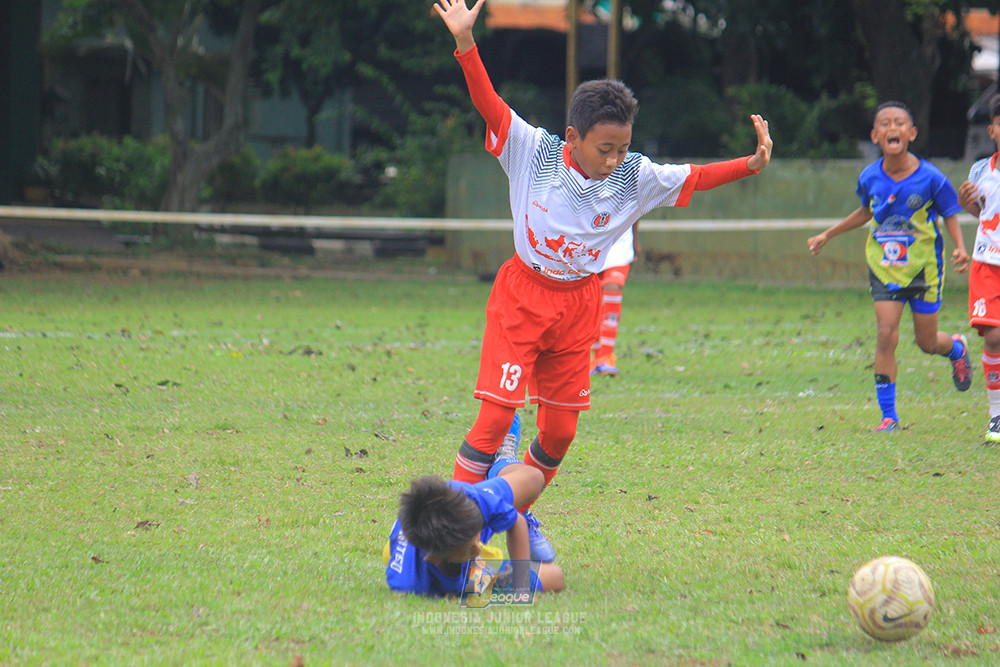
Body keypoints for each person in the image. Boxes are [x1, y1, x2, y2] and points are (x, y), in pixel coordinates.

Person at [434, 0, 772, 561]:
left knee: (561, 433)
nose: (616, 159)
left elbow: (693, 174)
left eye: (622, 147)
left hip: (577, 307)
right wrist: (466, 45)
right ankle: (451, 533)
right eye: (604, 148)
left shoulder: (634, 175)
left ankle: (514, 513)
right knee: (496, 416)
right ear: (574, 135)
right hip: (522, 296)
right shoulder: (534, 151)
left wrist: (750, 164)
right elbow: (490, 107)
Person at [808, 101, 972, 433]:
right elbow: (866, 211)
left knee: (926, 342)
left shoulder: (931, 177)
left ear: (911, 133)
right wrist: (828, 234)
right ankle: (888, 416)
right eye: (884, 123)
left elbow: (950, 213)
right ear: (875, 135)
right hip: (883, 266)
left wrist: (961, 248)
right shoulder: (869, 176)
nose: (891, 127)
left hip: (923, 268)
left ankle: (955, 347)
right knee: (886, 335)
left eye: (899, 123)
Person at [385, 416, 565, 597]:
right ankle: (489, 565)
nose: (478, 548)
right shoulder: (411, 582)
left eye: (477, 538)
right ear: (434, 557)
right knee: (555, 577)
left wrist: (521, 585)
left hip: (461, 505)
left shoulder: (469, 503)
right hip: (471, 568)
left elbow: (516, 521)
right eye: (469, 549)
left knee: (534, 479)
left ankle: (501, 461)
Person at [958, 94, 1000, 442]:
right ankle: (996, 415)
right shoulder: (979, 171)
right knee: (994, 336)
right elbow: (982, 213)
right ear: (992, 129)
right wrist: (964, 203)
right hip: (987, 263)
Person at [592, 223, 639, 377]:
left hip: (620, 243)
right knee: (593, 297)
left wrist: (635, 239)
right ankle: (596, 356)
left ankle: (607, 357)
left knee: (613, 286)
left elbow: (637, 204)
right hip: (593, 241)